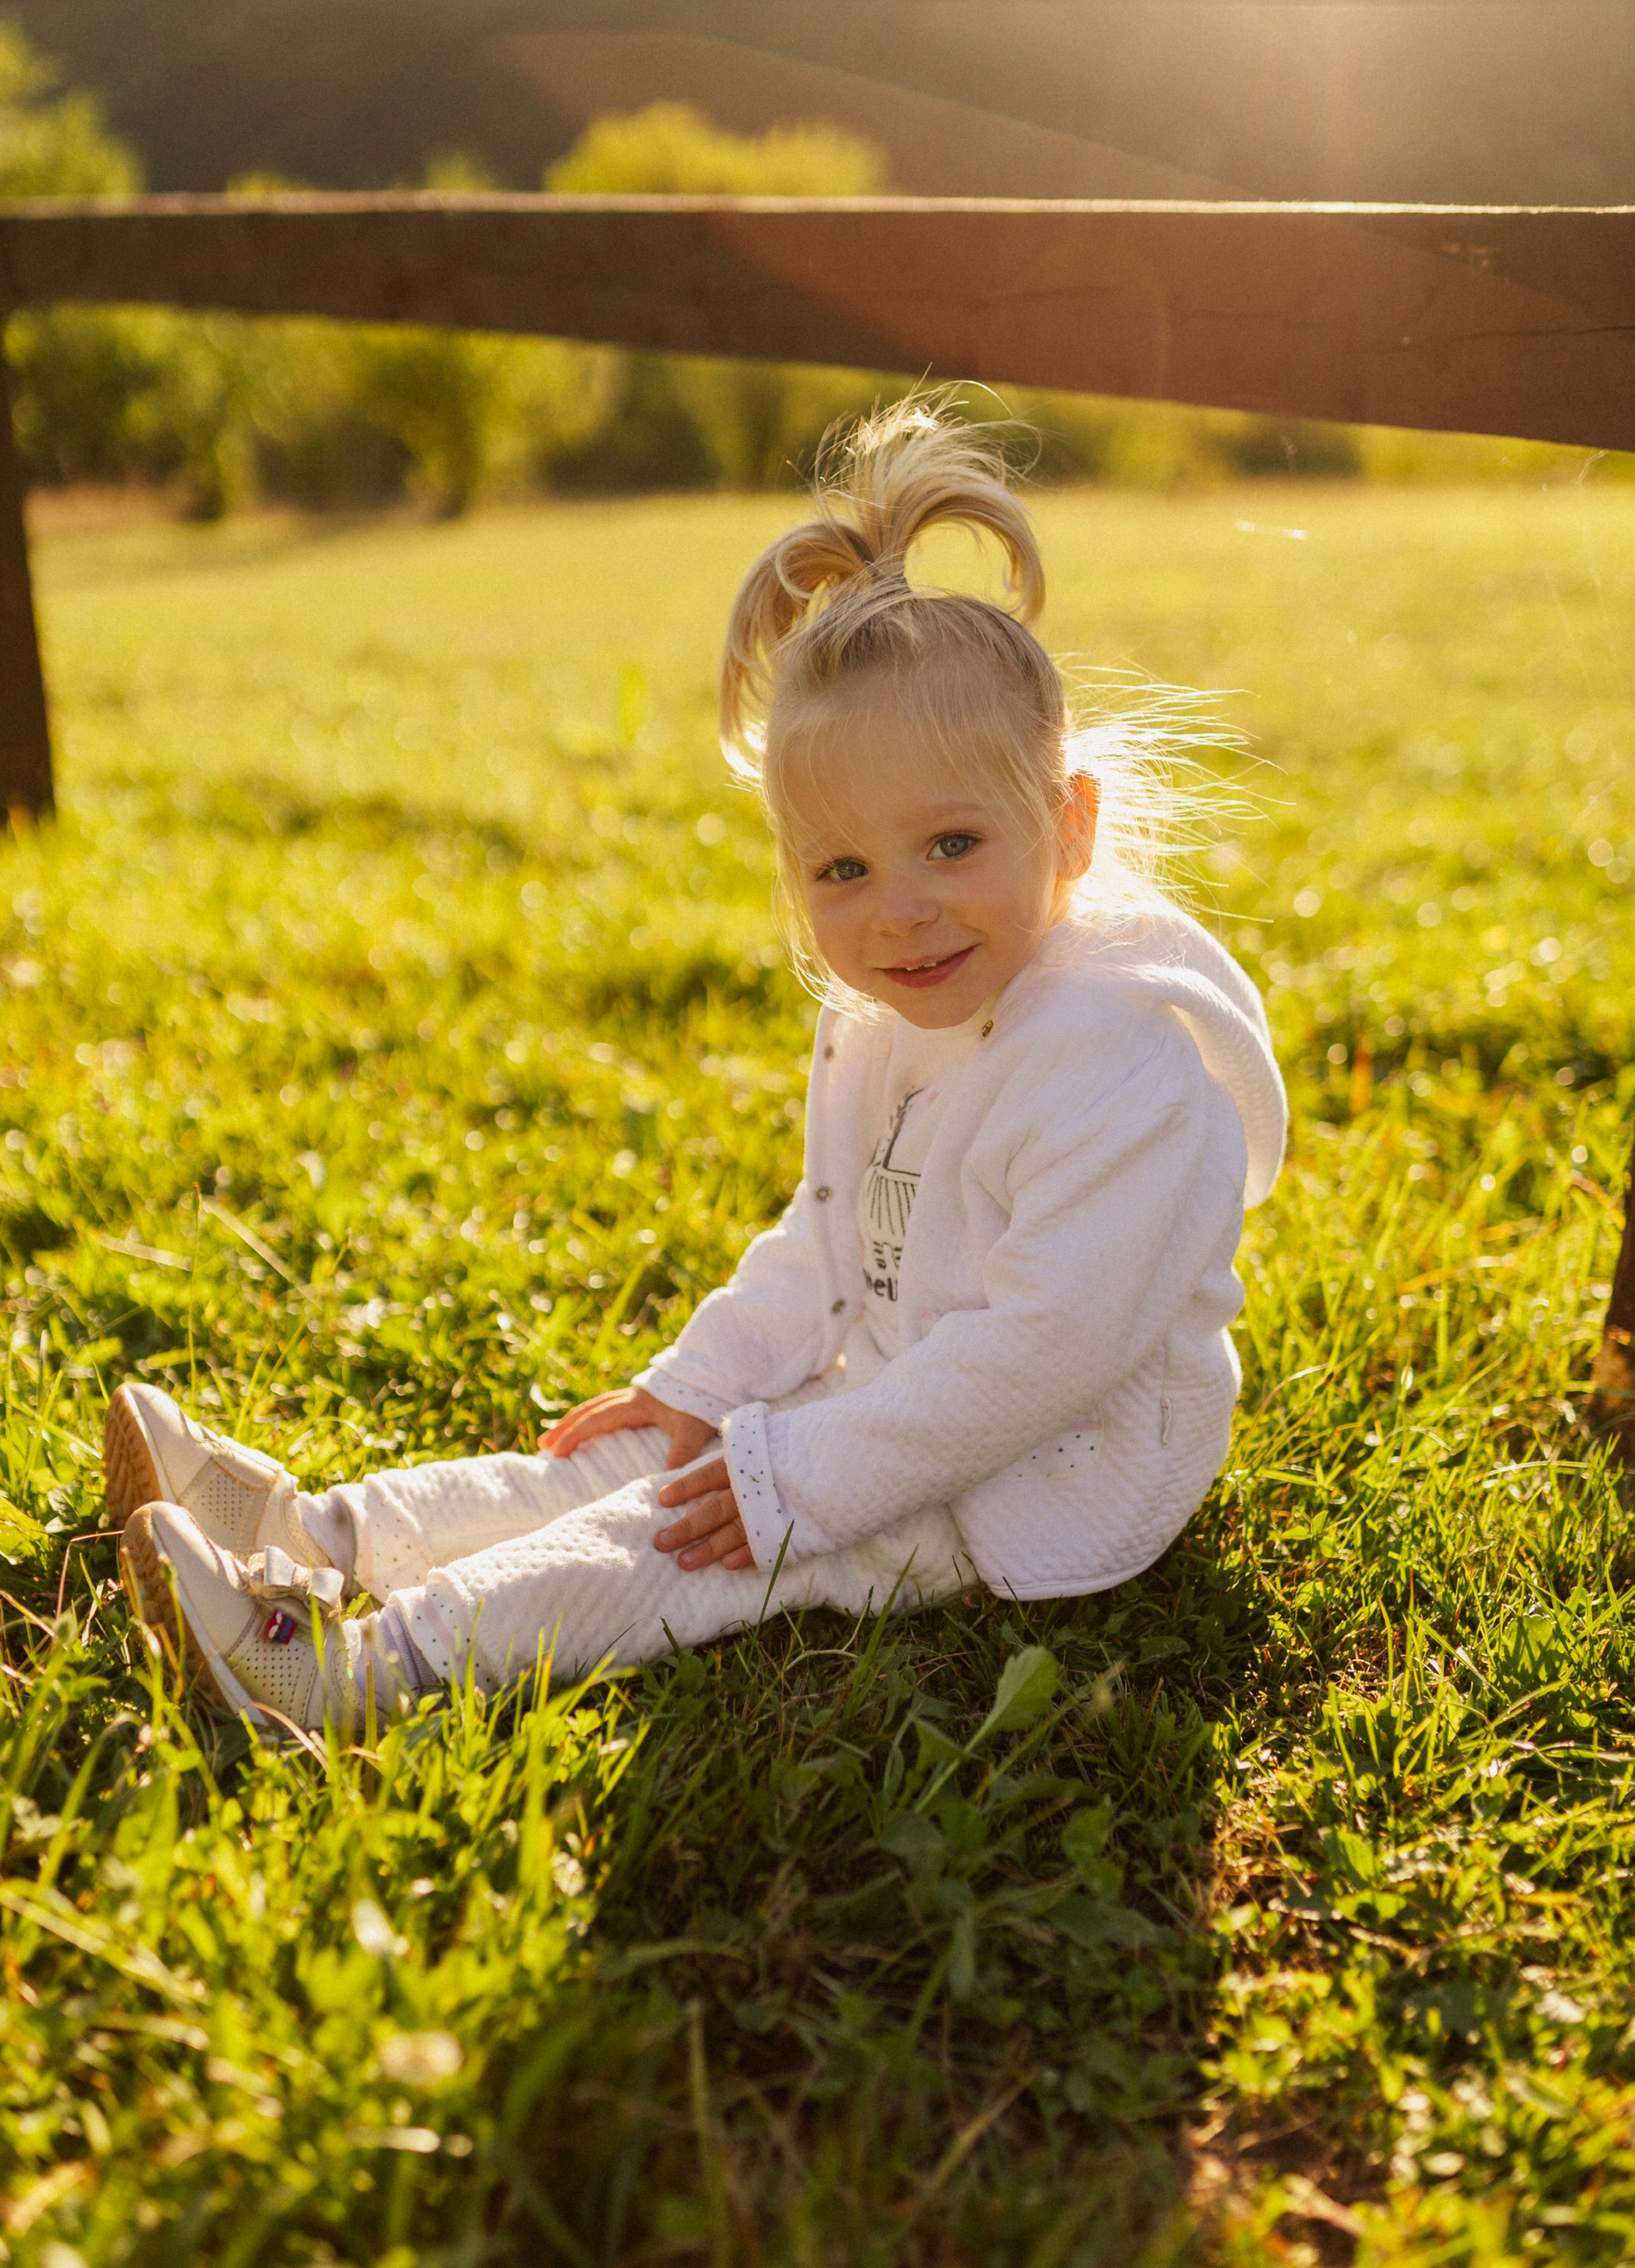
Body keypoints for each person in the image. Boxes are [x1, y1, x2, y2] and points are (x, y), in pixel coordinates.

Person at [111, 400, 1286, 1734]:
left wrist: (804, 1475)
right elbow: (828, 1235)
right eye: (842, 870)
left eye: (950, 845)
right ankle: (316, 1534)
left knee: (683, 1542)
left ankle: (342, 1674)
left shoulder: (1118, 1069)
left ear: (1066, 826)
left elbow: (1046, 1351)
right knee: (641, 1459)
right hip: (889, 1399)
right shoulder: (893, 1013)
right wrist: (704, 1386)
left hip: (1035, 1467)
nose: (896, 909)